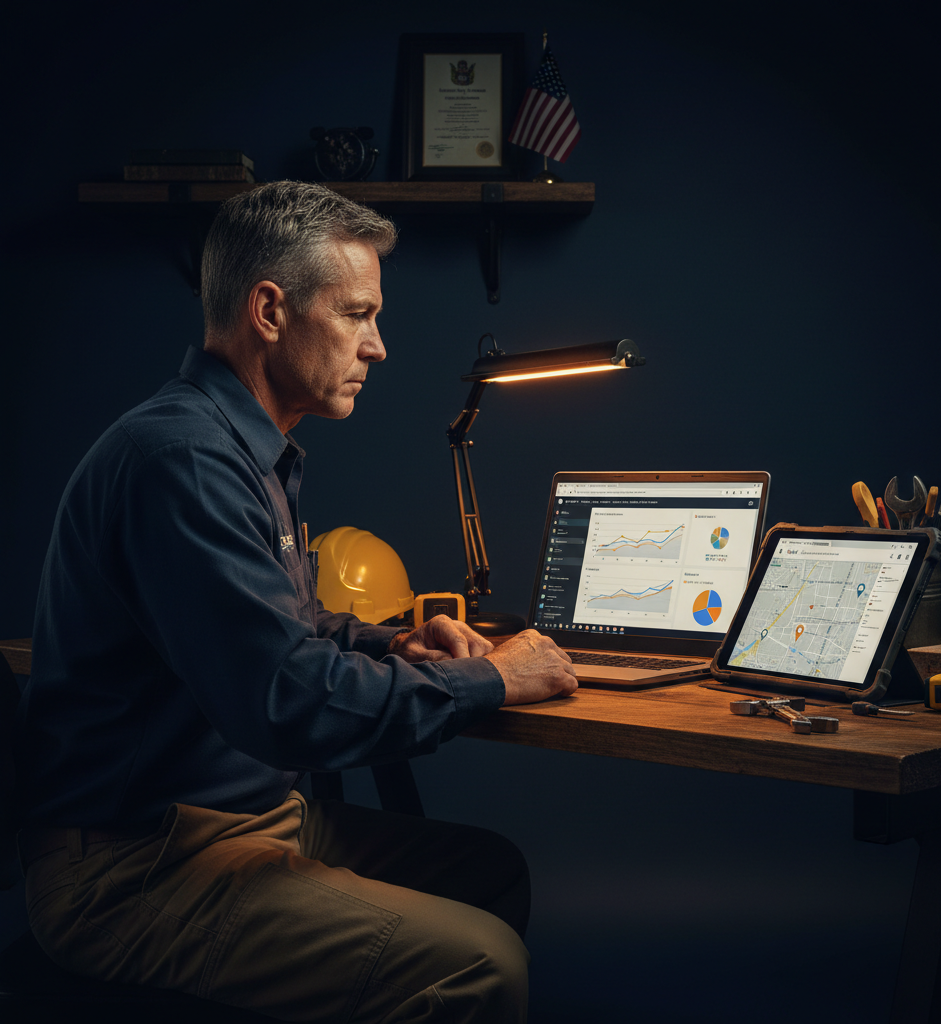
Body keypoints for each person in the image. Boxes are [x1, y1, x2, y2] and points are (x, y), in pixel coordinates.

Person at [15, 180, 578, 1022]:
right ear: (271, 311)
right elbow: (284, 701)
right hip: (139, 868)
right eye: (357, 314)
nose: (378, 347)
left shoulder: (240, 447)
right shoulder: (183, 461)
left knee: (489, 873)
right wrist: (495, 678)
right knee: (479, 969)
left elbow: (284, 626)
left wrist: (394, 647)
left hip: (248, 822)